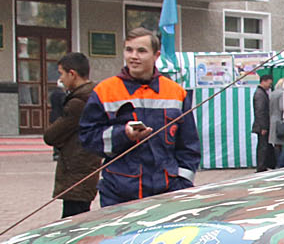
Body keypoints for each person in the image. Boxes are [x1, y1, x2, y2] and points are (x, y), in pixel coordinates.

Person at [78, 27, 201, 206]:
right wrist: (123, 134)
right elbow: (87, 138)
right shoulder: (105, 91)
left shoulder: (176, 92)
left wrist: (183, 183)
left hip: (167, 192)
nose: (133, 56)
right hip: (119, 193)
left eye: (141, 51)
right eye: (129, 50)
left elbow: (189, 146)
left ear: (156, 55)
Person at [42, 52, 101, 217]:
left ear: (72, 74)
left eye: (62, 74)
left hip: (76, 170)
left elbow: (51, 136)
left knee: (73, 220)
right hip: (87, 167)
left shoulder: (78, 103)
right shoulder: (94, 96)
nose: (60, 79)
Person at [251, 71, 274, 171]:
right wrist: (263, 127)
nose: (270, 86)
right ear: (263, 81)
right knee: (262, 146)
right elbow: (260, 111)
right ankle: (261, 166)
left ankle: (263, 164)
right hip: (261, 126)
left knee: (263, 145)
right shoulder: (260, 94)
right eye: (269, 83)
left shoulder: (260, 93)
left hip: (261, 124)